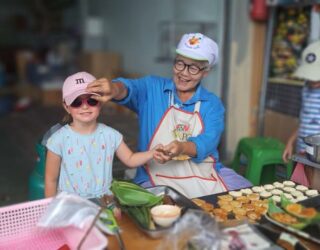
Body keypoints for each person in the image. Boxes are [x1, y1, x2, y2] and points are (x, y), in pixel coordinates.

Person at [87, 33, 252, 198]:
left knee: (247, 197)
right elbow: (128, 89)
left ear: (205, 72)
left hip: (203, 173)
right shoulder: (152, 88)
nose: (184, 73)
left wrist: (181, 147)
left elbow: (207, 142)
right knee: (164, 211)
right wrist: (113, 88)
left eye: (193, 68)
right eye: (180, 63)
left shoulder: (212, 104)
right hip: (155, 175)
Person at [45, 71, 160, 199]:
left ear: (100, 102)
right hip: (71, 203)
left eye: (91, 101)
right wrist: (51, 209)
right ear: (67, 107)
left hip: (105, 201)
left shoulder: (111, 135)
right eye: (77, 102)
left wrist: (152, 153)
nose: (85, 107)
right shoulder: (58, 140)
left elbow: (130, 159)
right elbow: (51, 179)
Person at [282, 40, 320, 190]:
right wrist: (290, 142)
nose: (312, 80)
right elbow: (304, 120)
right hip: (302, 151)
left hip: (317, 158)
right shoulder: (306, 89)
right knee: (299, 189)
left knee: (315, 192)